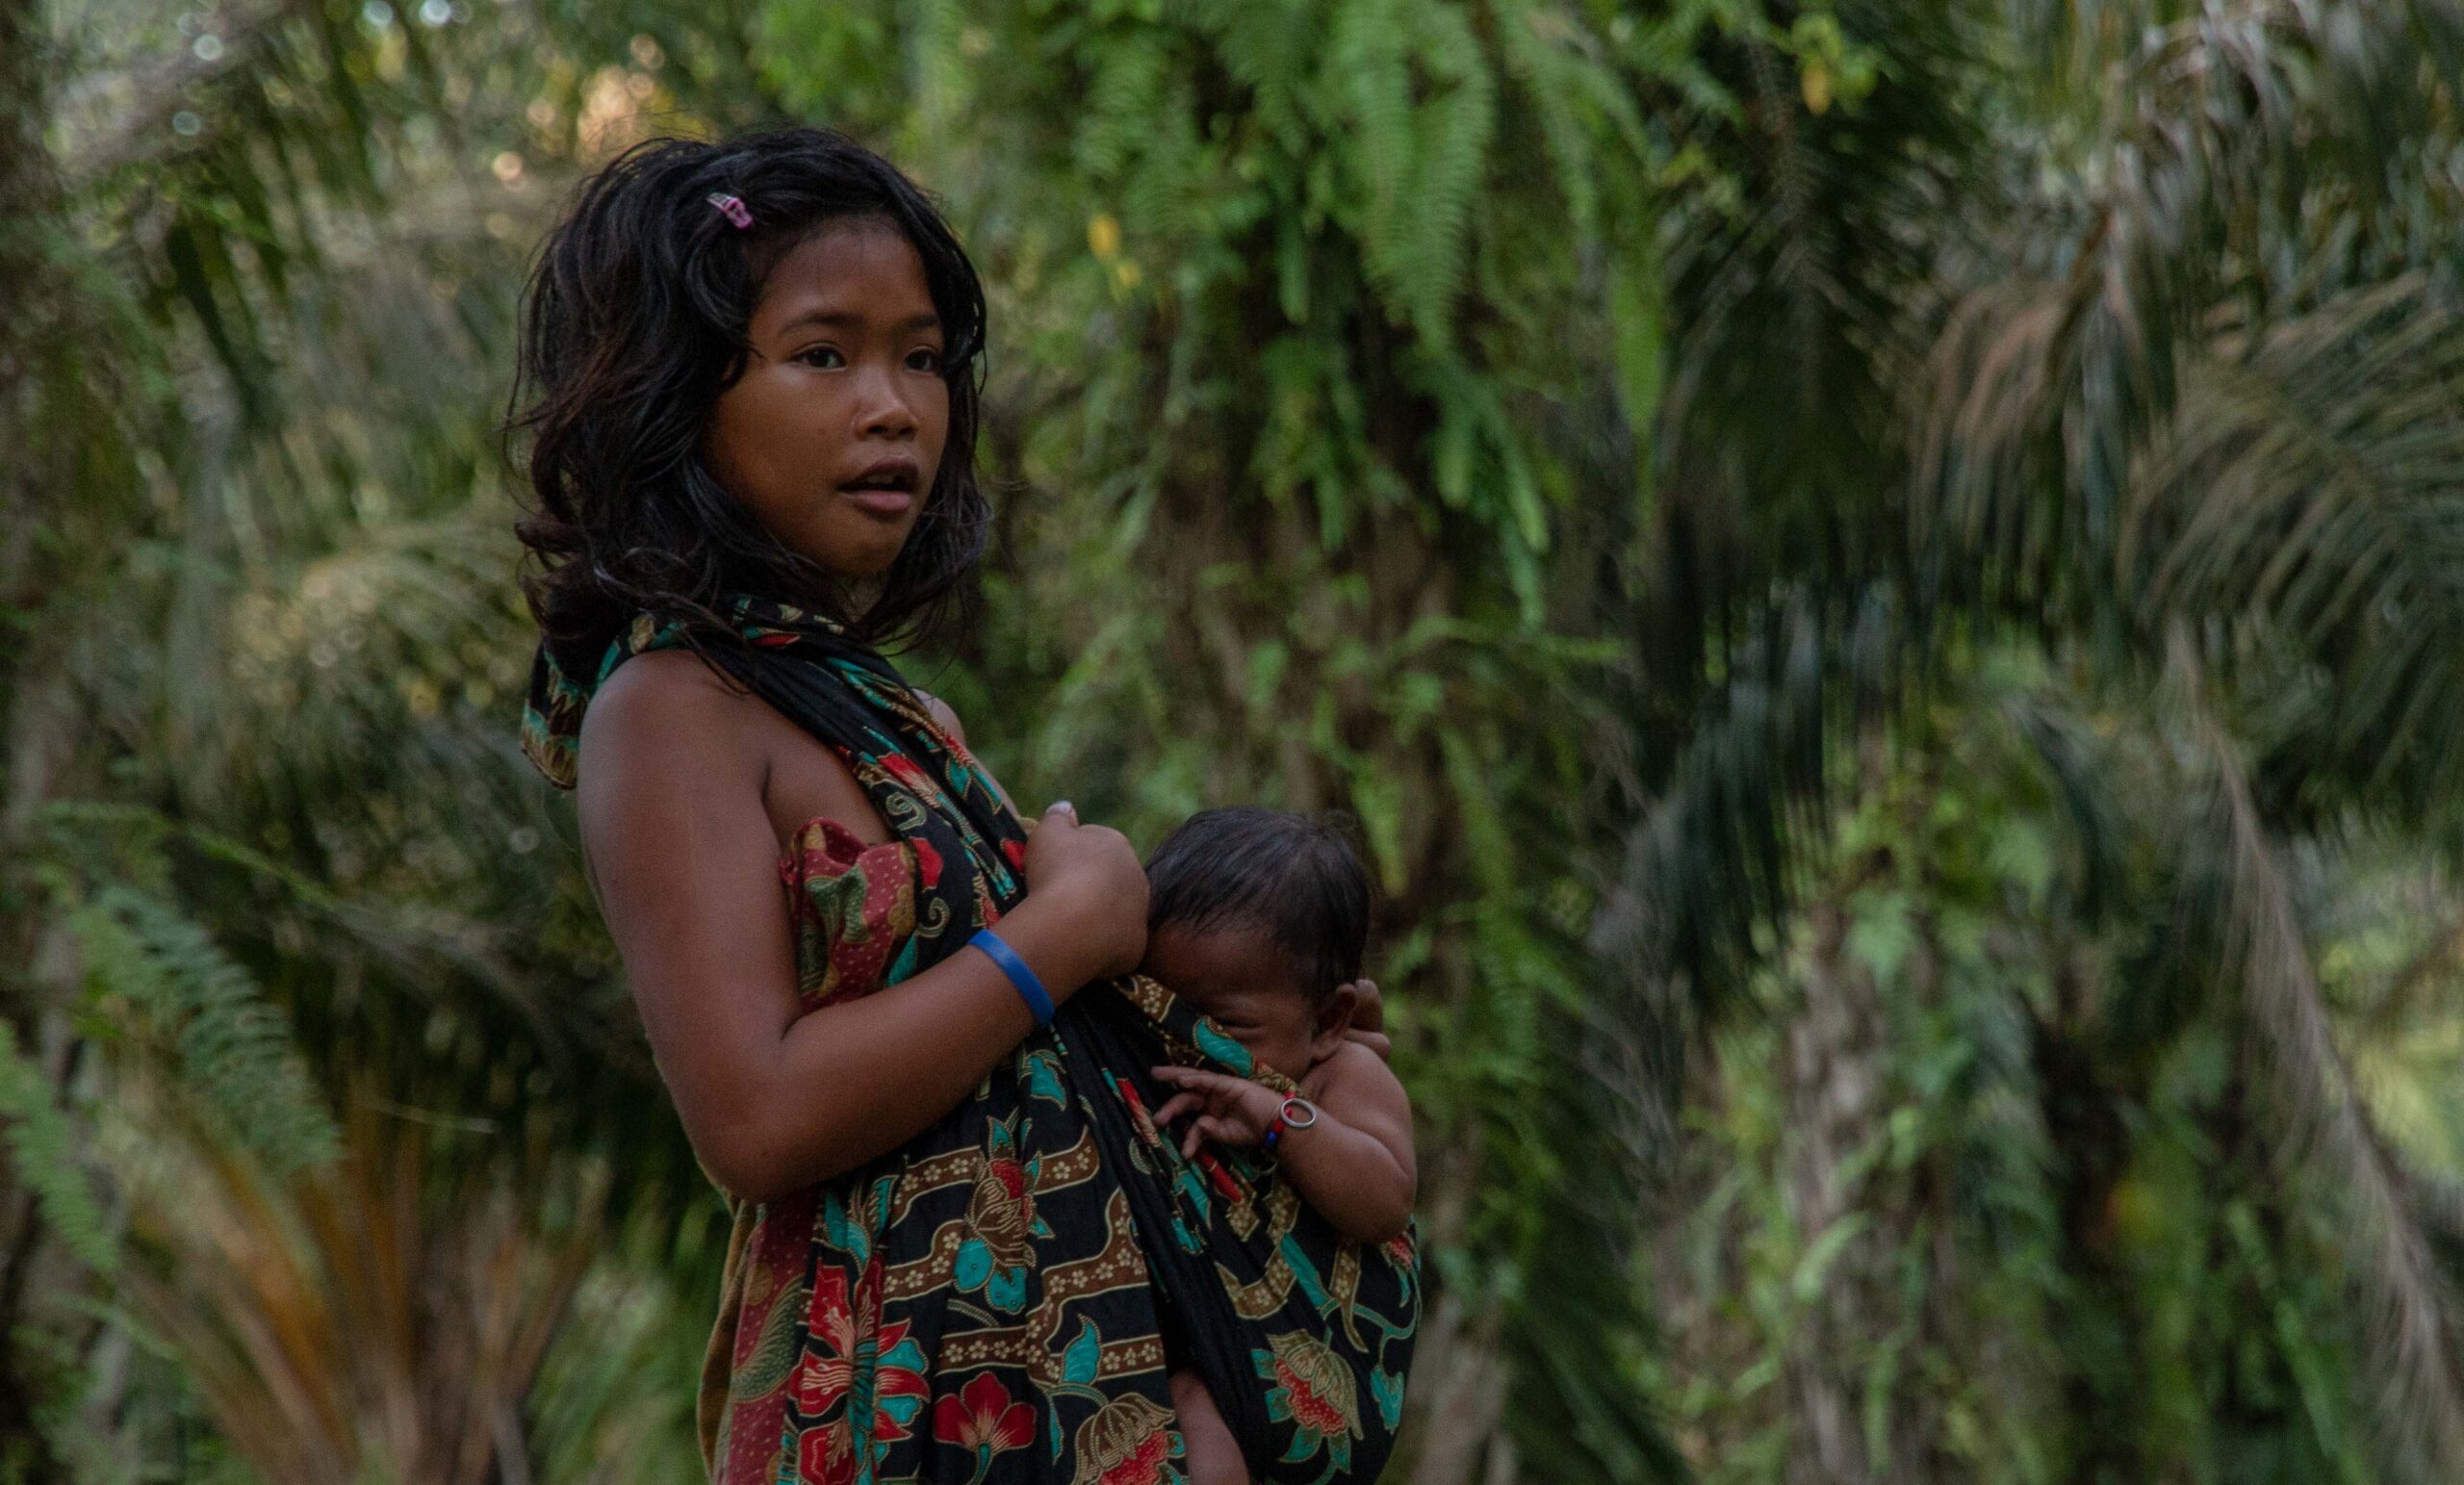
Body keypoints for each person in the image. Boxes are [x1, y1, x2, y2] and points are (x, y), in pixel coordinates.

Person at [511, 126, 1416, 1485]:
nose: (894, 407)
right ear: (676, 392)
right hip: (898, 1411)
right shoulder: (669, 710)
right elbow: (752, 1116)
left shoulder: (885, 711)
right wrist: (1070, 925)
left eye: (922, 358)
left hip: (1083, 1395)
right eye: (824, 354)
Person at [1133, 808, 1416, 1485]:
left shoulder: (1345, 1072)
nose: (1191, 1042)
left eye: (1226, 1024)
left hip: (1315, 1359)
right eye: (1159, 1008)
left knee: (1203, 1419)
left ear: (1328, 1020)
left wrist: (1279, 1117)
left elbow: (1386, 1201)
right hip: (1199, 1334)